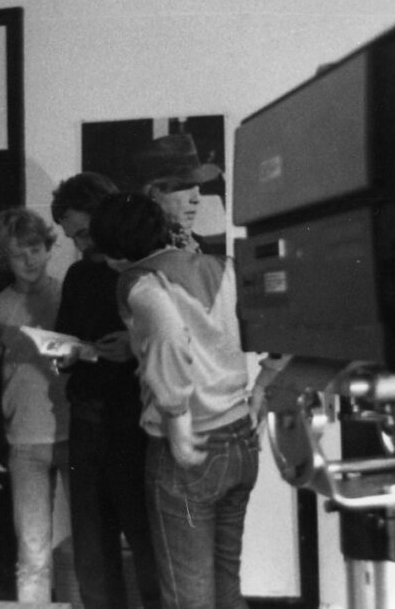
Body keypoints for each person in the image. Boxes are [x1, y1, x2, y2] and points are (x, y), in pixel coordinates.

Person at [89, 192, 272, 609]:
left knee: (189, 598)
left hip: (190, 453)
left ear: (116, 250)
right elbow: (281, 320)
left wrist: (177, 415)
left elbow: (170, 333)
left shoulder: (137, 280)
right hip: (241, 441)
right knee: (227, 588)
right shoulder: (223, 266)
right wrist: (264, 386)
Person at [50, 172, 162, 609]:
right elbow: (67, 336)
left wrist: (133, 347)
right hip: (86, 421)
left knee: (147, 542)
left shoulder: (145, 271)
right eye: (71, 237)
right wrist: (64, 354)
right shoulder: (78, 275)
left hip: (134, 424)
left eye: (83, 232)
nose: (80, 245)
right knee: (92, 553)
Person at [0, 207, 69, 603]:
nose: (29, 260)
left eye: (35, 249)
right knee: (33, 553)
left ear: (48, 248)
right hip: (25, 441)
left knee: (87, 547)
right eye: (18, 254)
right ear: (6, 259)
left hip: (77, 434)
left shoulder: (70, 295)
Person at [130, 133, 223, 253]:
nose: (196, 199)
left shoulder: (200, 248)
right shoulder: (135, 251)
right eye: (185, 187)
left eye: (199, 187)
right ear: (152, 193)